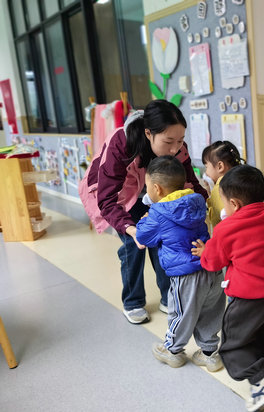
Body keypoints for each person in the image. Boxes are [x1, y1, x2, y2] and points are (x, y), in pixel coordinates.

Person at [78, 99, 208, 325]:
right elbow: (107, 199)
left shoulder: (178, 147)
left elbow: (190, 181)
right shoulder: (122, 142)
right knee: (133, 245)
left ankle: (168, 297)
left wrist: (207, 204)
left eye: (180, 140)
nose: (175, 148)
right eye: (169, 141)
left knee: (164, 239)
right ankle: (133, 301)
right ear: (148, 133)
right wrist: (130, 229)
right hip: (120, 197)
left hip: (155, 195)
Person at [191, 165, 264, 412]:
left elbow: (213, 262)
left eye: (223, 202)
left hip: (249, 299)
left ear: (235, 204)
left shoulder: (227, 228)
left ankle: (260, 382)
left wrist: (205, 251)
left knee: (235, 344)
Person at [135, 156, 225, 370]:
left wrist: (144, 220)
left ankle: (173, 351)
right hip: (211, 267)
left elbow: (143, 237)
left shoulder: (158, 213)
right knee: (210, 311)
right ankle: (210, 353)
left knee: (181, 313)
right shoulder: (196, 201)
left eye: (147, 186)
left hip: (186, 275)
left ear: (156, 188)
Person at [201, 140, 244, 229]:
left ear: (220, 166)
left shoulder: (220, 188)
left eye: (206, 167)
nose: (206, 172)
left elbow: (224, 218)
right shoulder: (241, 181)